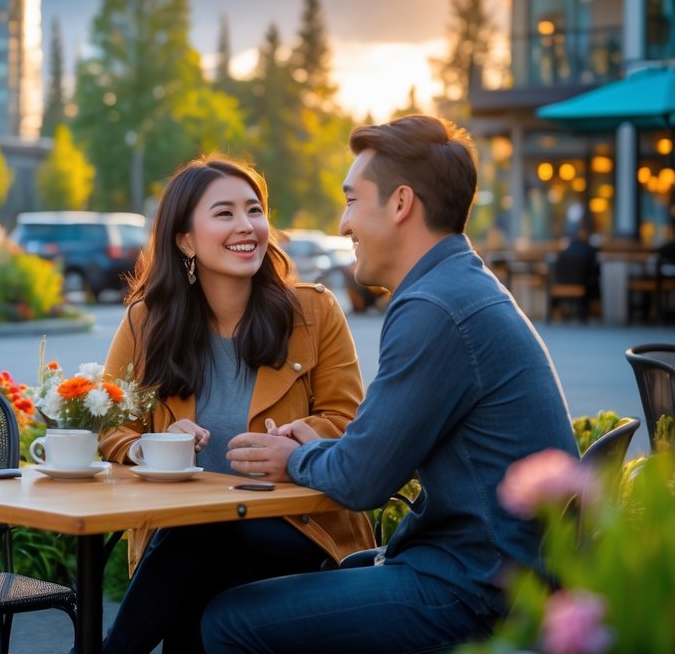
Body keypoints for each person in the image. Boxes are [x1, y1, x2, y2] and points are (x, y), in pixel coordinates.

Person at [203, 115, 579, 653]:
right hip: (497, 571)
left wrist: (293, 460)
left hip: (479, 591)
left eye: (353, 200)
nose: (343, 225)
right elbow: (375, 453)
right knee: (331, 571)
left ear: (401, 204)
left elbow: (361, 483)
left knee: (229, 619)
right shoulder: (459, 285)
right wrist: (324, 449)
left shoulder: (434, 307)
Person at [97, 156, 374, 654]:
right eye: (224, 213)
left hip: (303, 533)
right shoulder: (147, 322)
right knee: (199, 564)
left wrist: (293, 444)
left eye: (254, 210)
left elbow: (348, 421)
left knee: (199, 536)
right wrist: (153, 446)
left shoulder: (314, 311)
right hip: (192, 542)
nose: (246, 226)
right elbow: (112, 426)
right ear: (185, 239)